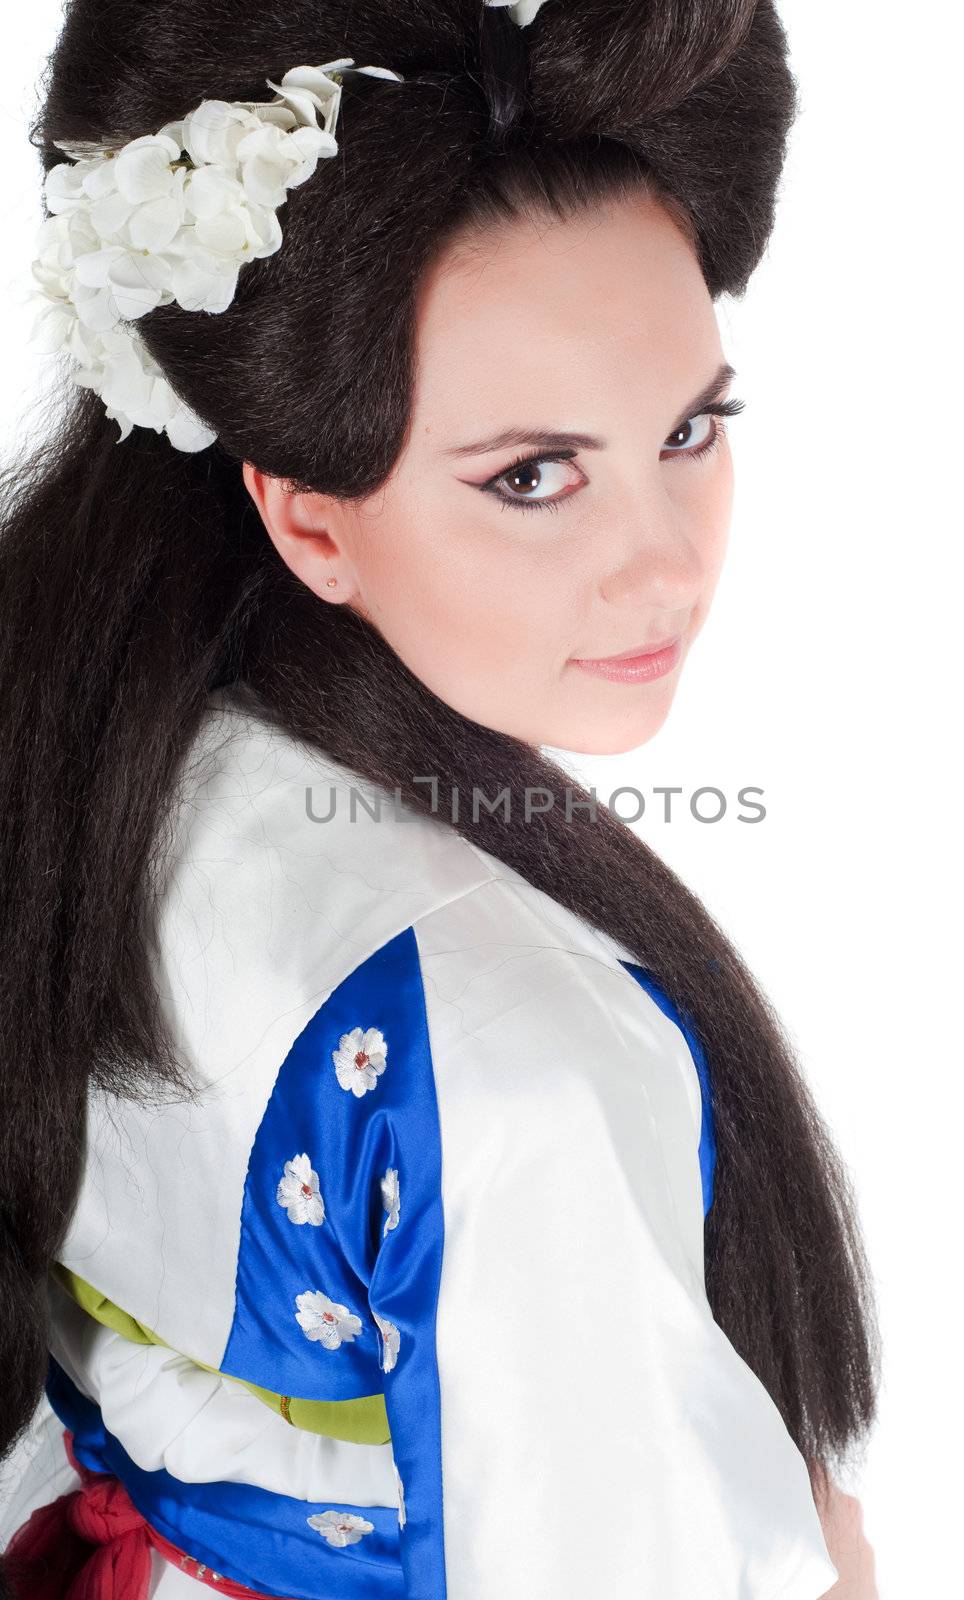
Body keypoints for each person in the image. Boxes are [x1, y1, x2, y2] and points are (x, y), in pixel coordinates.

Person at [0, 2, 881, 1596]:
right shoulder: (501, 1047)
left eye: (690, 429)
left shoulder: (73, 738)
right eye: (531, 474)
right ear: (310, 521)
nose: (665, 560)